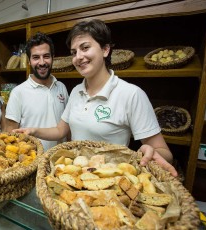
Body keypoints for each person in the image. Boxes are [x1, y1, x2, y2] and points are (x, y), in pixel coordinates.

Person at [13, 19, 178, 177]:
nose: (78, 57)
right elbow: (60, 130)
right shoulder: (77, 91)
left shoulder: (131, 94)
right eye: (74, 52)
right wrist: (33, 131)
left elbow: (165, 153)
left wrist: (151, 152)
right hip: (75, 179)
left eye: (85, 48)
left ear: (105, 49)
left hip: (108, 185)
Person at [5, 32, 69, 151]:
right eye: (36, 57)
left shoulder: (61, 87)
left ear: (52, 57)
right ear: (29, 61)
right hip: (34, 161)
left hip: (60, 160)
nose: (42, 62)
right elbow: (11, 133)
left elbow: (67, 126)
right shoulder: (18, 92)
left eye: (46, 56)